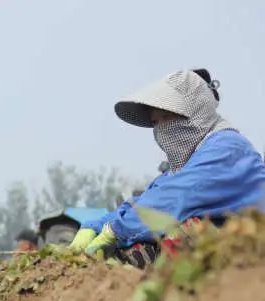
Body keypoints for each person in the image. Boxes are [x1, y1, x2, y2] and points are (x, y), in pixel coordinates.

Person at [69, 69, 265, 267]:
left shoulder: (227, 148)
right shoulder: (185, 163)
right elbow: (148, 198)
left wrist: (115, 230)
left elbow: (174, 198)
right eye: (155, 122)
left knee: (182, 231)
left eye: (166, 117)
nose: (161, 129)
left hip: (250, 255)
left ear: (195, 114)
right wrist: (95, 225)